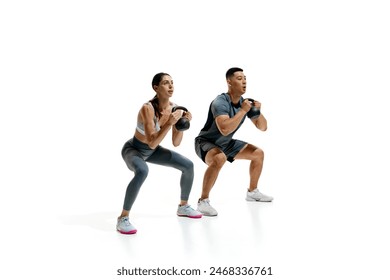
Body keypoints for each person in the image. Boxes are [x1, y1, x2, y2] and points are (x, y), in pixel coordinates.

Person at [117, 72, 202, 234]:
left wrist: (181, 125)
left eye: (172, 82)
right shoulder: (147, 108)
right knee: (142, 171)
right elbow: (152, 141)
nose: (170, 86)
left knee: (188, 165)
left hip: (153, 152)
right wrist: (170, 122)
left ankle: (183, 206)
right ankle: (123, 218)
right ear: (156, 88)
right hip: (133, 150)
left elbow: (176, 143)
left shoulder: (175, 108)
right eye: (165, 83)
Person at [194, 67, 273, 216]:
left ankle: (252, 192)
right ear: (229, 82)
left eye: (245, 79)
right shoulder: (220, 102)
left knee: (258, 153)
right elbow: (224, 129)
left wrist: (258, 112)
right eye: (239, 79)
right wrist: (243, 111)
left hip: (226, 143)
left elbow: (263, 127)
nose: (244, 81)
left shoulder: (245, 103)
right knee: (219, 158)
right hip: (205, 142)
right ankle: (203, 201)